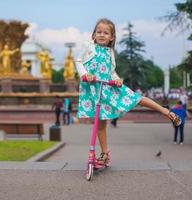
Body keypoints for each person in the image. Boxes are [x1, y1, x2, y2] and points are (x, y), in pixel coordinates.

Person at [75, 18, 181, 167]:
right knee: (100, 125)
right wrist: (85, 75)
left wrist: (118, 79)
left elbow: (111, 72)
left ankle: (166, 112)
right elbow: (78, 61)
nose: (102, 35)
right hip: (94, 88)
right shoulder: (89, 46)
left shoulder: (110, 52)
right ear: (93, 35)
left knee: (136, 98)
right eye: (98, 32)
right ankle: (105, 154)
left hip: (108, 87)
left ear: (112, 37)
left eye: (106, 33)